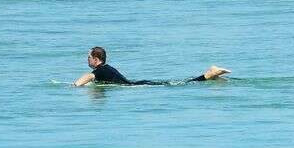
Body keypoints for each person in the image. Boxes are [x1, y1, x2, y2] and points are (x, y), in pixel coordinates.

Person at [73, 46, 231, 86]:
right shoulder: (107, 68)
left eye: (88, 57)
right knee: (181, 83)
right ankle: (212, 76)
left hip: (137, 86)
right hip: (138, 83)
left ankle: (209, 74)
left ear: (95, 59)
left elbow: (88, 77)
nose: (86, 60)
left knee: (182, 84)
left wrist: (74, 85)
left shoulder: (100, 70)